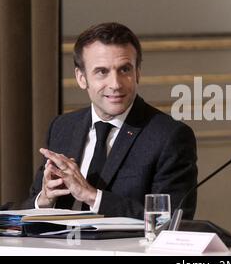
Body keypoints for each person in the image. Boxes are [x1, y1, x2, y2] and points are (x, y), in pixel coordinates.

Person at [22, 22, 198, 219]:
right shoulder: (62, 127)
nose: (115, 84)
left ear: (137, 72)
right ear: (81, 78)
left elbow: (172, 220)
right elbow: (30, 206)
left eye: (124, 70)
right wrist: (45, 199)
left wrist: (91, 196)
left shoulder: (169, 136)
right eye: (102, 72)